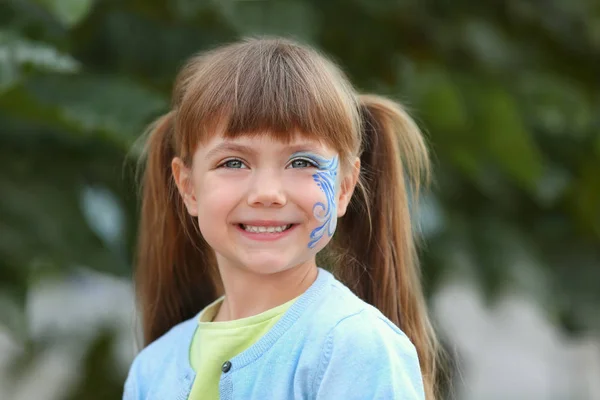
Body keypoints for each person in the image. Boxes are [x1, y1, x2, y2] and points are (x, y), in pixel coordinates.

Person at [123, 37, 440, 400]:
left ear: (344, 188)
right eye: (233, 162)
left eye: (301, 162)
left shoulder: (354, 349)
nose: (268, 193)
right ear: (188, 186)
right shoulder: (151, 370)